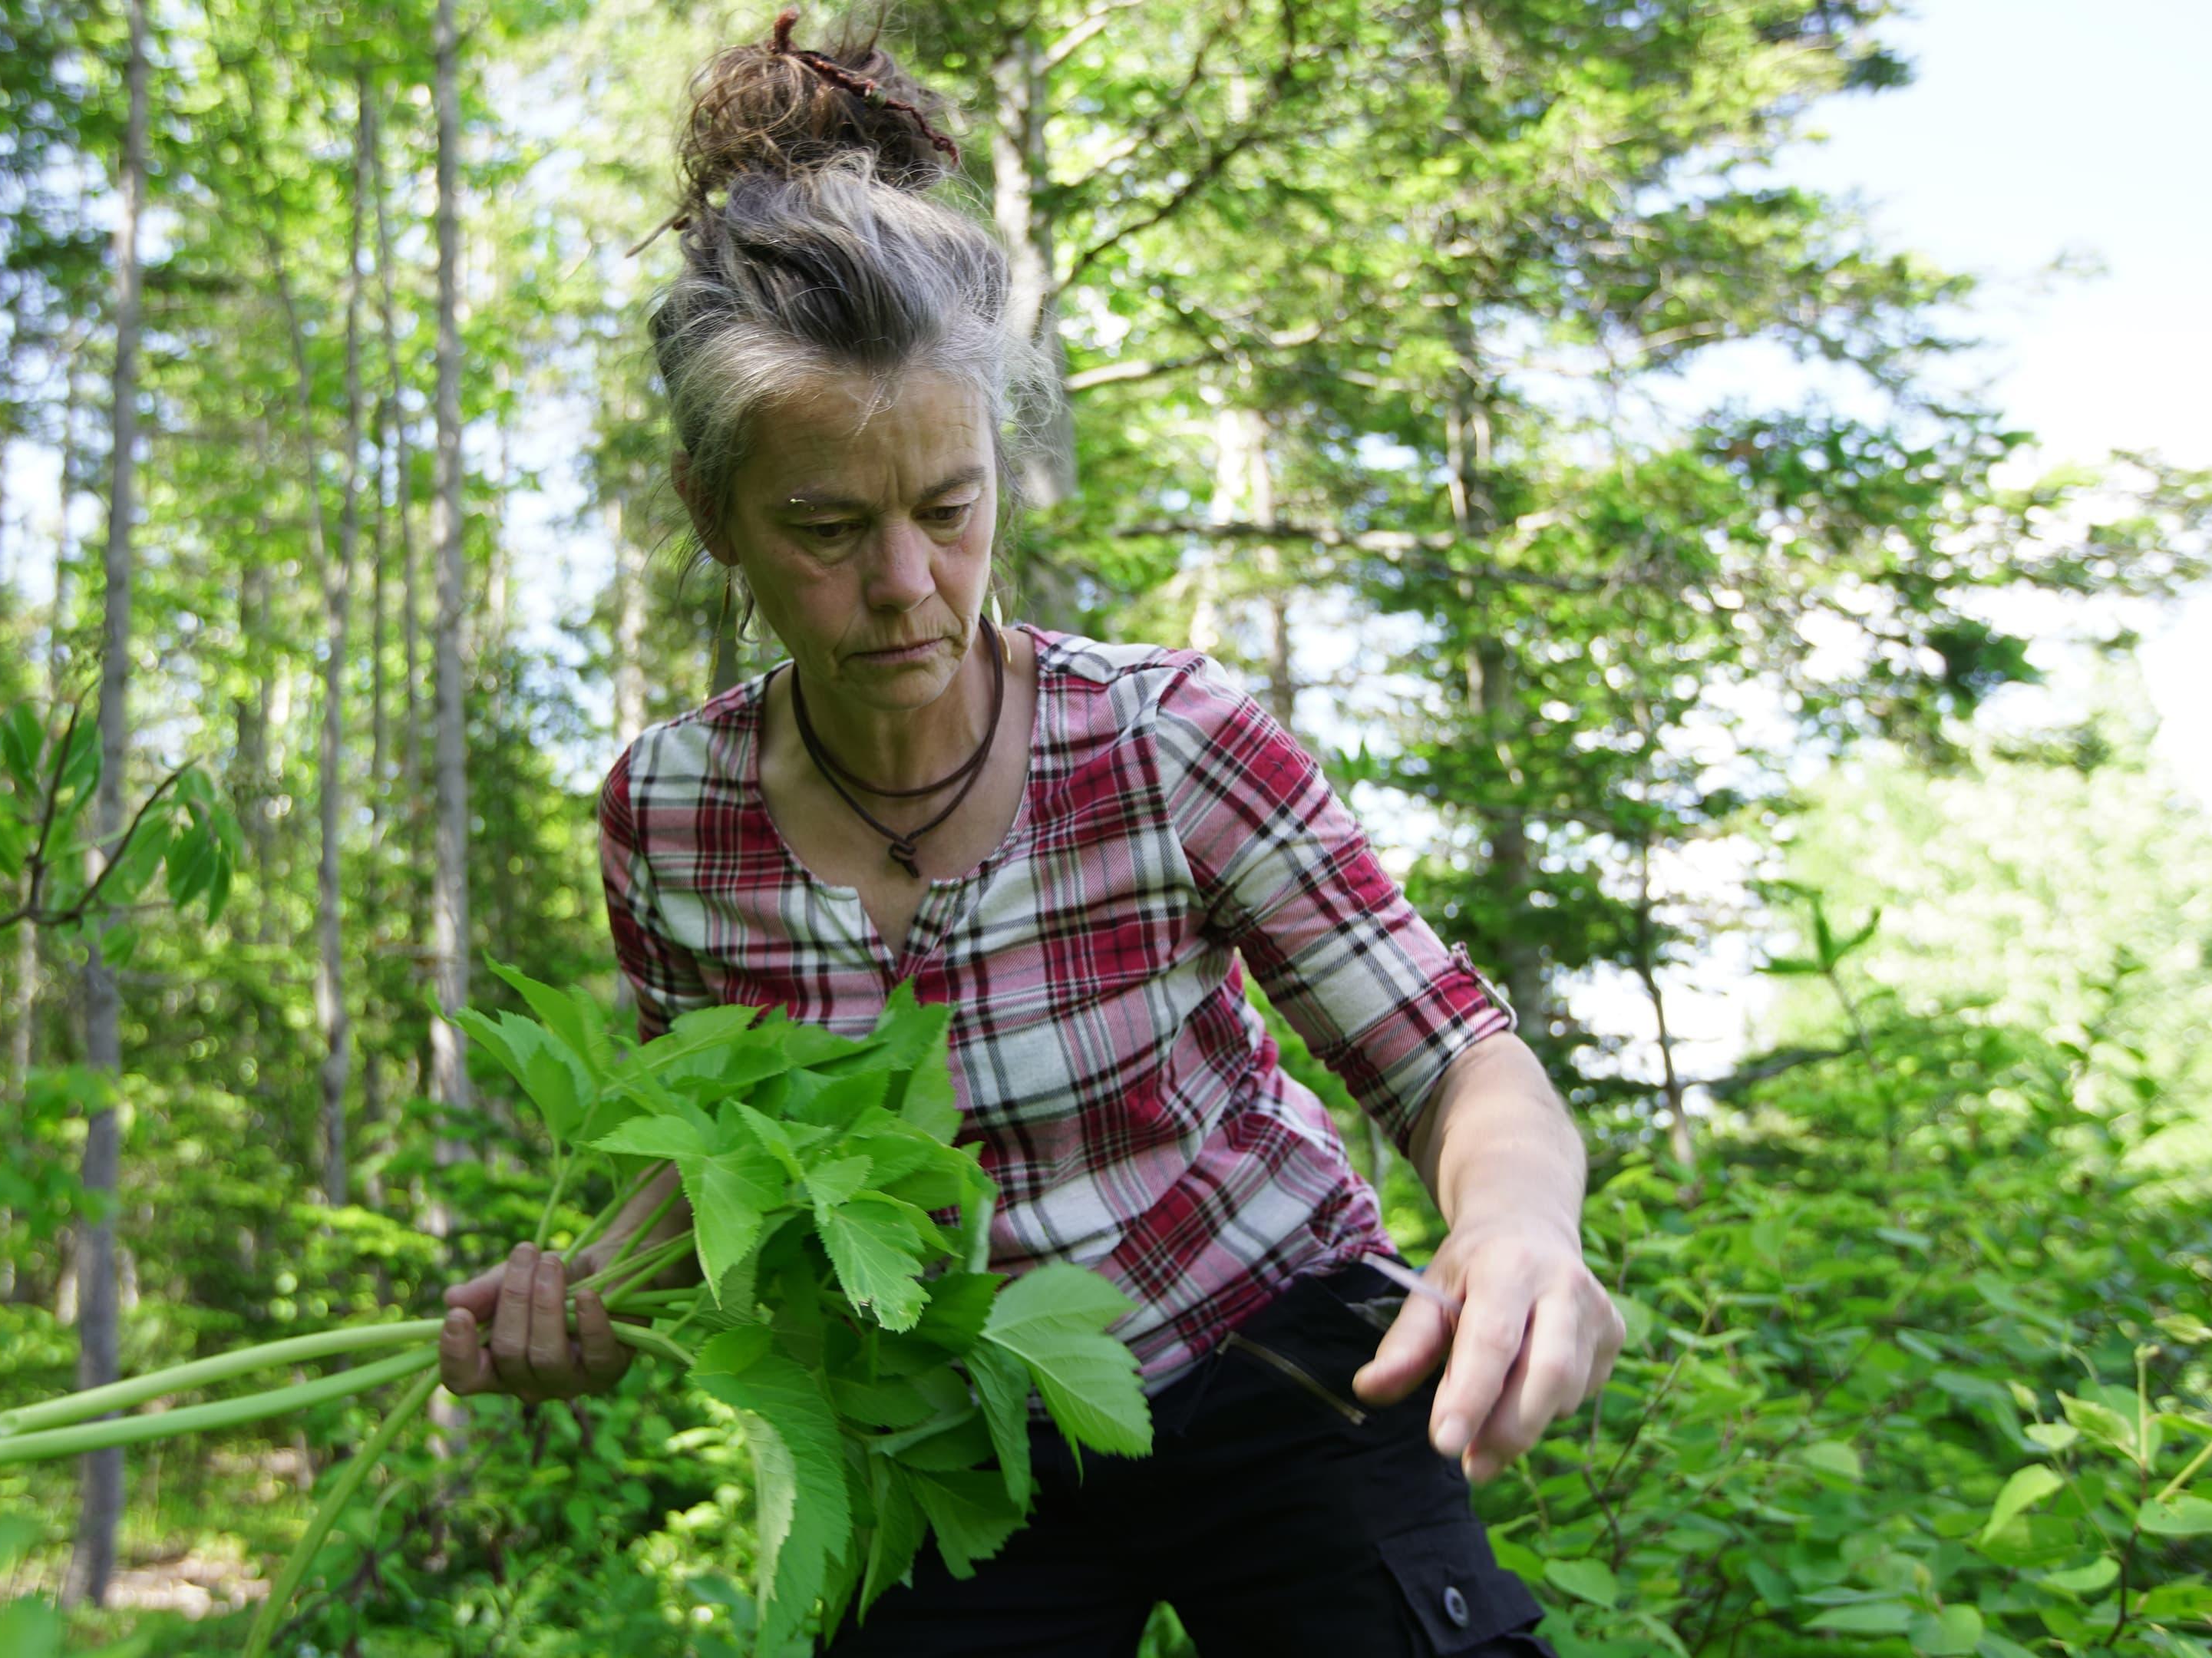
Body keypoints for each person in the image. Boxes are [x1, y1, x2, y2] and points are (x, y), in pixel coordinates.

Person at [434, 12, 1625, 1653]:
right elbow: (714, 1163)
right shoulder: (670, 820)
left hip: (1270, 1338)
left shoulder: (1165, 741)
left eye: (951, 506)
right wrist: (583, 1290)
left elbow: (1454, 1059)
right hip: (950, 1425)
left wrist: (1513, 1224)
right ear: (718, 520)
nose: (908, 587)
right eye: (829, 529)